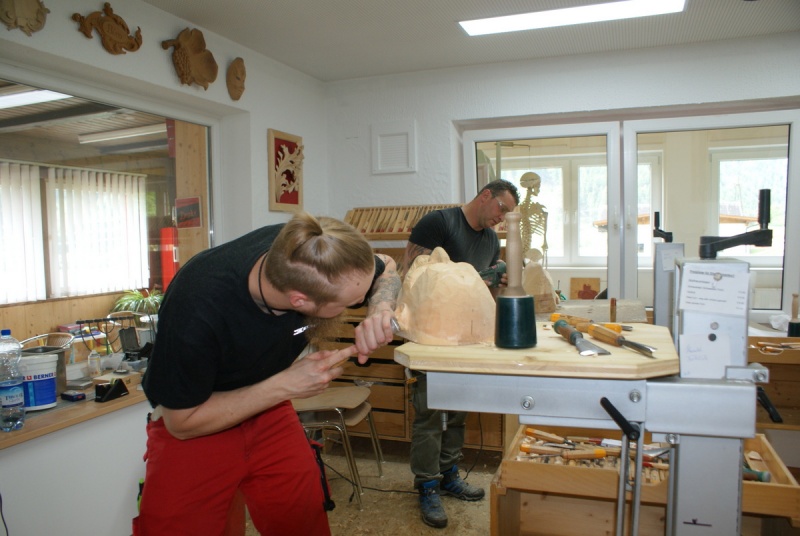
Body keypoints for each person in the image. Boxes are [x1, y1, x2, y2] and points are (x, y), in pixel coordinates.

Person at [135, 212, 400, 535]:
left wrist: (380, 309)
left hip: (269, 410)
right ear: (299, 300)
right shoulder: (197, 306)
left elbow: (387, 265)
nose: (358, 302)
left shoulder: (313, 249)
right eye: (351, 302)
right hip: (198, 417)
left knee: (302, 517)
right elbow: (180, 423)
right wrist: (284, 385)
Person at [398, 179, 520, 529]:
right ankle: (427, 485)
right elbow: (412, 275)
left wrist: (492, 284)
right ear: (485, 196)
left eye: (507, 214)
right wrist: (468, 278)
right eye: (501, 208)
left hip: (466, 340)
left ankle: (449, 474)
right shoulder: (439, 223)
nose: (501, 218)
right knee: (430, 415)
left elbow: (483, 294)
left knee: (458, 413)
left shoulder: (491, 240)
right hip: (430, 338)